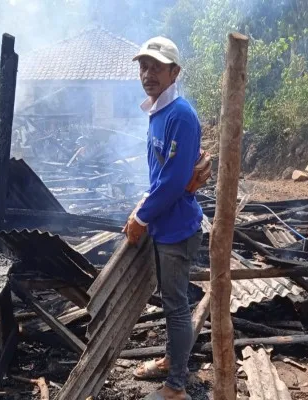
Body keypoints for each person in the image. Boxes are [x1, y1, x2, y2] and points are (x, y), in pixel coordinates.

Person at [123, 36, 206, 400]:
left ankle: (176, 386)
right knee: (170, 300)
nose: (148, 73)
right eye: (144, 66)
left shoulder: (181, 116)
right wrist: (143, 205)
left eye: (156, 66)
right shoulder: (157, 112)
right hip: (164, 224)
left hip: (176, 229)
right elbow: (164, 174)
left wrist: (141, 216)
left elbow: (172, 183)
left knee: (175, 306)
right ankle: (172, 360)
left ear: (175, 71)